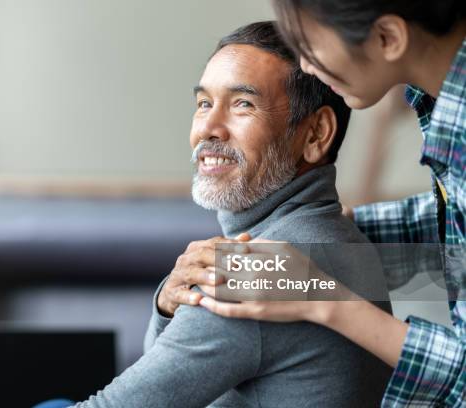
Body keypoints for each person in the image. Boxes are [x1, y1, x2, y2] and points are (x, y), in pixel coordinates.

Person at [35, 21, 392, 408]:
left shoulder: (261, 270)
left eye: (243, 104)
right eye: (204, 103)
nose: (207, 128)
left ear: (315, 134)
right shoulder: (335, 240)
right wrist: (167, 307)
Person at [161, 2, 466, 406]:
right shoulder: (441, 105)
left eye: (311, 44)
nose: (304, 66)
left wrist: (324, 298)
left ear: (388, 38)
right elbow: (457, 233)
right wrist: (338, 237)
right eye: (204, 103)